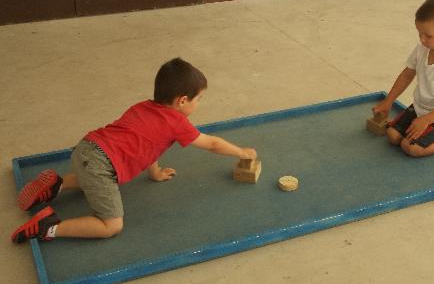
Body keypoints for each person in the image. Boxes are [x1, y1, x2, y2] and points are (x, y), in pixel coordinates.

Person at [11, 58, 257, 243]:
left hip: (88, 147)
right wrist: (241, 152)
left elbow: (147, 145)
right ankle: (49, 227)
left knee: (95, 176)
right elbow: (212, 143)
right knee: (111, 226)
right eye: (199, 98)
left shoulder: (144, 106)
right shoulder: (177, 123)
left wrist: (155, 172)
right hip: (101, 165)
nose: (199, 103)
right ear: (182, 100)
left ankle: (57, 184)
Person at [373, 0, 434, 157]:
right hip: (421, 107)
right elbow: (407, 74)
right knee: (393, 136)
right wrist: (388, 101)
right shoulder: (423, 47)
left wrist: (426, 120)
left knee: (412, 148)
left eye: (428, 36)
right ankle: (423, 124)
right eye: (419, 33)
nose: (422, 40)